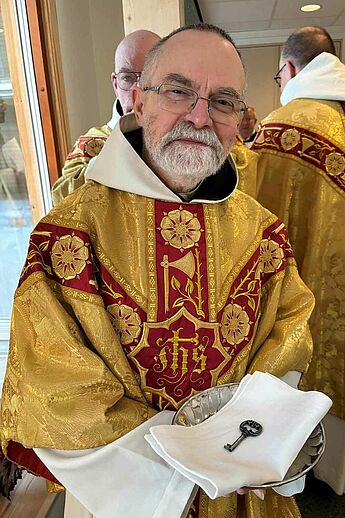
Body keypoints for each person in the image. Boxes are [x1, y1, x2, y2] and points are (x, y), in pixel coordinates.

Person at [1, 23, 314, 518]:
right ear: (138, 100)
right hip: (128, 495)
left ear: (239, 118)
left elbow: (289, 341)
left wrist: (247, 446)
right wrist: (183, 466)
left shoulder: (264, 234)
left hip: (240, 489)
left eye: (224, 101)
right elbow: (56, 391)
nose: (199, 116)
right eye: (178, 91)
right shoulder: (65, 237)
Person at [252, 26, 345, 495]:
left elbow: (250, 215)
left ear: (288, 70)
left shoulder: (283, 127)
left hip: (312, 292)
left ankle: (311, 473)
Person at [51, 29, 160, 205]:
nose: (137, 90)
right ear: (116, 84)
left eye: (150, 77)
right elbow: (61, 198)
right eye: (127, 78)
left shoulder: (184, 136)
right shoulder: (92, 144)